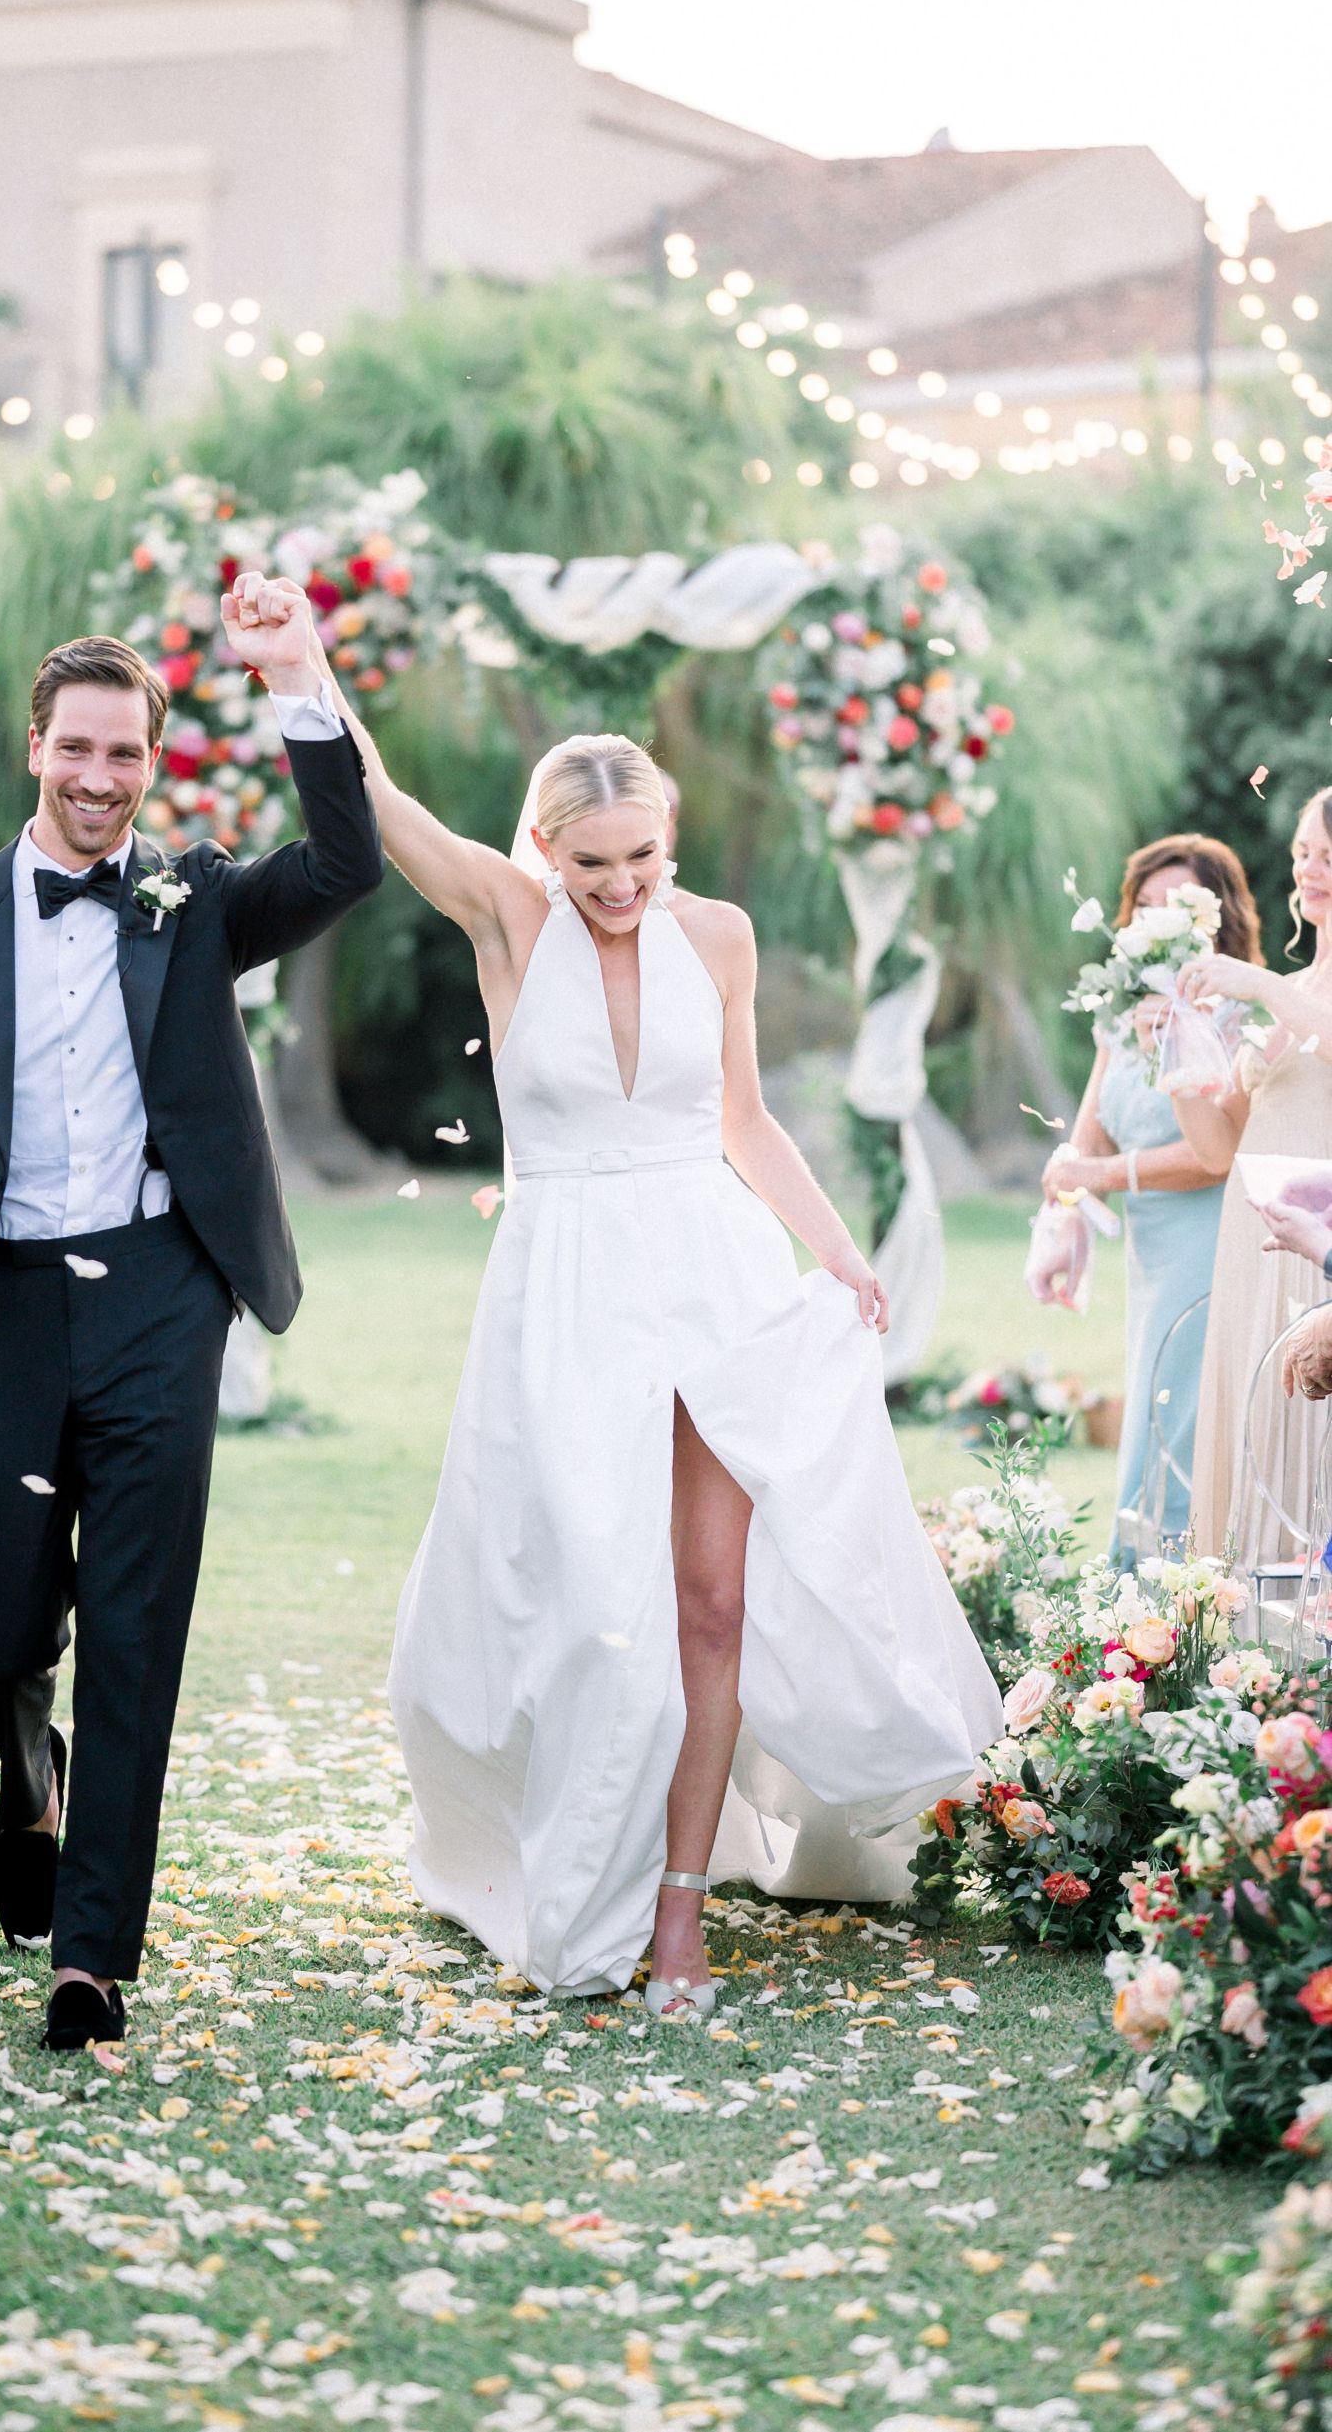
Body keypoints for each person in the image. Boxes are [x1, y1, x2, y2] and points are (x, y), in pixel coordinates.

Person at [308, 647, 998, 2009]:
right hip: (566, 1288)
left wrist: (840, 1252)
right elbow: (381, 798)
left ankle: (679, 1904)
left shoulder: (719, 937)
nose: (620, 888)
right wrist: (300, 664)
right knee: (591, 1601)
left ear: (668, 839)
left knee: (711, 1599)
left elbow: (740, 1119)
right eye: (593, 864)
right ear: (546, 848)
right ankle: (570, 1858)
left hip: (715, 1278)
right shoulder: (508, 917)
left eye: (642, 858)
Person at [0, 609, 384, 2052]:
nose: (99, 774)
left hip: (157, 1295)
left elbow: (344, 863)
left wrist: (297, 690)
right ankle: (29, 1771)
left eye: (124, 752)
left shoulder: (192, 902)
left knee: (136, 1621)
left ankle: (93, 1952)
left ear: (148, 763)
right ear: (34, 749)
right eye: (76, 746)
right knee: (0, 1624)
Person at [1040, 834, 1261, 1558]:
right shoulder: (1117, 1016)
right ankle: (1137, 1611)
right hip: (1148, 1257)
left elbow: (1216, 1157)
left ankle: (1182, 1600)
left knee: (1179, 1423)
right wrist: (1065, 1193)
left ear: (1216, 919)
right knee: (1152, 1411)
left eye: (1178, 905)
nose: (1156, 918)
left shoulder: (1237, 1019)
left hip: (1210, 1243)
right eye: (1146, 905)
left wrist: (1104, 1177)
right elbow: (1090, 1134)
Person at [1172, 788, 1332, 1560]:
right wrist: (1176, 1047)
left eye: (1329, 855)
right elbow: (1214, 1146)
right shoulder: (1301, 989)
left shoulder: (1289, 995)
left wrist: (1258, 984)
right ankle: (1232, 1637)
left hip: (1314, 1248)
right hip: (1250, 1242)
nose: (1310, 869)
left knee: (1297, 1427)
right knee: (1247, 1420)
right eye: (1303, 852)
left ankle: (1296, 1654)